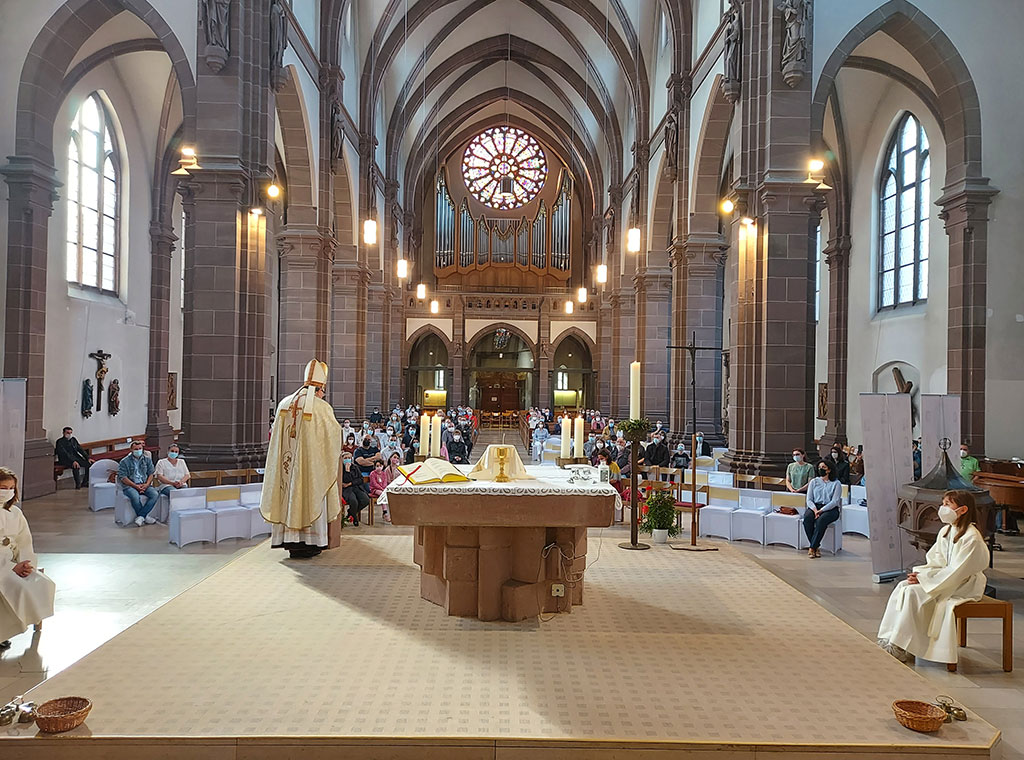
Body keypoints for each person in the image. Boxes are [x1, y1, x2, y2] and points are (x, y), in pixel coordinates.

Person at [877, 490, 989, 664]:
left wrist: (924, 580)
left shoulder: (971, 537)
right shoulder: (946, 531)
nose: (942, 508)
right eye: (942, 503)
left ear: (963, 509)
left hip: (964, 584)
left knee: (913, 593)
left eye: (948, 504)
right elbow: (936, 561)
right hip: (943, 579)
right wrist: (921, 575)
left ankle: (902, 646)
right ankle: (891, 638)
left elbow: (957, 571)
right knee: (903, 587)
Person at [260, 360, 343, 559]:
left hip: (286, 468)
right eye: (323, 391)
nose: (322, 395)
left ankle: (290, 541)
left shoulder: (284, 404)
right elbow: (334, 437)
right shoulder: (322, 408)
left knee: (289, 497)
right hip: (309, 471)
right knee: (310, 495)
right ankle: (311, 542)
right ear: (320, 388)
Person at [0, 467, 56, 651]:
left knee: (42, 583)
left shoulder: (15, 513)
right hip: (2, 566)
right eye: (2, 488)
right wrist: (9, 569)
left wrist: (25, 564)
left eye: (11, 488)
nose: (7, 492)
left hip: (13, 561)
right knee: (16, 588)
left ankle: (5, 632)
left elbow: (24, 542)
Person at [803, 459, 842, 558]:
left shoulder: (836, 483)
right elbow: (809, 499)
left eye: (823, 467)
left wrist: (822, 510)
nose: (821, 469)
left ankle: (812, 547)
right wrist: (815, 510)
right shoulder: (814, 482)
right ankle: (816, 547)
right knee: (807, 519)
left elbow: (835, 501)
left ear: (829, 470)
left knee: (821, 520)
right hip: (815, 507)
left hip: (830, 509)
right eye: (820, 467)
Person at [117, 440, 160, 527]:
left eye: (140, 449)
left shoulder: (147, 460)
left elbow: (151, 473)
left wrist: (147, 484)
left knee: (155, 494)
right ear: (131, 450)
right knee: (135, 496)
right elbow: (123, 477)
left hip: (144, 484)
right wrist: (135, 486)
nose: (138, 451)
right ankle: (144, 516)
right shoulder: (124, 461)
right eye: (136, 449)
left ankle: (141, 516)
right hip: (130, 485)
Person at [341, 452, 370, 525]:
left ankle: (351, 513)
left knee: (365, 500)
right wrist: (347, 470)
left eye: (349, 458)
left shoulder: (355, 467)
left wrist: (351, 483)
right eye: (345, 458)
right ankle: (355, 517)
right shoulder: (340, 469)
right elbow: (345, 480)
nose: (347, 460)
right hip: (347, 490)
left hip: (356, 487)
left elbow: (361, 479)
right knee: (353, 501)